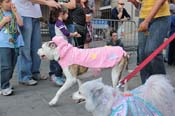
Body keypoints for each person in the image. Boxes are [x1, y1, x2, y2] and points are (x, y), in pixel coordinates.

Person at [12, 0, 60, 86]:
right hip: (23, 14)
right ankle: (25, 76)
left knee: (36, 47)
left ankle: (35, 73)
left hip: (34, 15)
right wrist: (47, 2)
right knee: (25, 48)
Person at [129, 0, 171, 84]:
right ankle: (146, 87)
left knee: (151, 51)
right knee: (142, 54)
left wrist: (147, 21)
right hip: (143, 18)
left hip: (160, 17)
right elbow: (142, 5)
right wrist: (134, 2)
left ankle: (161, 86)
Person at [0, 0, 23, 96]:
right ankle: (4, 86)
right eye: (7, 1)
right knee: (6, 66)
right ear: (0, 3)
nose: (10, 4)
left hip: (15, 43)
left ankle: (5, 82)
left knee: (12, 65)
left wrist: (15, 12)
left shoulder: (13, 12)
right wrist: (3, 21)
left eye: (11, 1)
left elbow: (21, 24)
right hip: (3, 43)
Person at [168, 0, 175, 65]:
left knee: (171, 48)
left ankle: (170, 61)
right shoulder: (173, 17)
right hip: (172, 34)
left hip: (171, 35)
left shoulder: (172, 17)